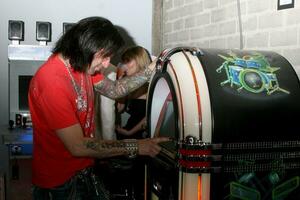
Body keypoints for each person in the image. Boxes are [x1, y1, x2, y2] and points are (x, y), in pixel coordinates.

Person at [28, 16, 169, 200]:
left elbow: (116, 90)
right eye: (104, 56)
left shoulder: (82, 66)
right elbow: (78, 146)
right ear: (86, 47)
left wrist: (152, 69)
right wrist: (136, 146)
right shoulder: (51, 81)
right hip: (59, 184)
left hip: (84, 170)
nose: (106, 64)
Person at [115, 46, 152, 140]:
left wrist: (129, 132)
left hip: (141, 135)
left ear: (139, 61)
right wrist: (120, 80)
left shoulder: (150, 84)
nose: (124, 65)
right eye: (124, 62)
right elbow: (119, 108)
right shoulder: (130, 84)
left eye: (128, 61)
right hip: (128, 130)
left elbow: (151, 116)